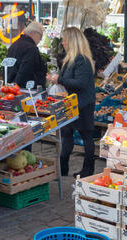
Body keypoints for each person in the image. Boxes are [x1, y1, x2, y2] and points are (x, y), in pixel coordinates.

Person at [47, 27, 96, 178]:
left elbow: (80, 83)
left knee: (86, 135)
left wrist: (59, 80)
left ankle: (88, 170)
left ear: (72, 41)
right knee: (66, 132)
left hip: (83, 104)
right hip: (72, 103)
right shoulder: (71, 58)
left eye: (65, 39)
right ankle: (63, 169)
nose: (62, 42)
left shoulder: (82, 59)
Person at [6, 21, 47, 89]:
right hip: (25, 90)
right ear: (34, 33)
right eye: (41, 35)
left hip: (11, 86)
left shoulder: (14, 44)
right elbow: (25, 71)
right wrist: (17, 88)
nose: (41, 39)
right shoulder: (31, 49)